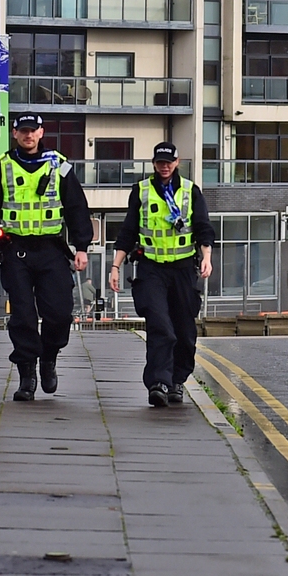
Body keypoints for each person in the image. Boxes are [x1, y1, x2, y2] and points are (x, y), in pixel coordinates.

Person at [0, 113, 92, 401]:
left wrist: (82, 246)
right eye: (23, 131)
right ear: (15, 134)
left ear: (41, 132)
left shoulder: (60, 167)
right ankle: (27, 374)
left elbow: (77, 208)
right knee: (23, 315)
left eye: (33, 130)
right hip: (16, 251)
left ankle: (49, 357)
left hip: (51, 250)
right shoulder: (1, 168)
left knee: (60, 313)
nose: (28, 135)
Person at [107, 142, 213, 408]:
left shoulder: (191, 191)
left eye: (168, 162)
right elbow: (128, 232)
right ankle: (159, 383)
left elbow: (203, 229)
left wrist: (207, 258)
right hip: (151, 269)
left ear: (177, 162)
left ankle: (177, 381)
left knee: (184, 332)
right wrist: (115, 266)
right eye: (159, 162)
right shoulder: (141, 192)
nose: (164, 166)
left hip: (182, 270)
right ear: (153, 163)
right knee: (160, 327)